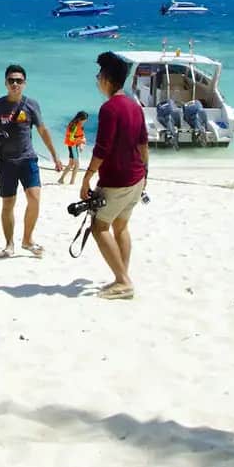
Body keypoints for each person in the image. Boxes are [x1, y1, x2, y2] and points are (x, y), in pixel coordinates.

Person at [82, 51, 149, 300]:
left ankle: (122, 281)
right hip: (136, 177)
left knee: (99, 227)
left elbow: (102, 149)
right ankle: (122, 275)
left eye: (99, 75)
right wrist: (146, 176)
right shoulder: (135, 106)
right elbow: (144, 144)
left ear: (108, 79)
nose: (98, 79)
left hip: (117, 181)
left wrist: (86, 177)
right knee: (121, 227)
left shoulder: (109, 108)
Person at [0, 63, 63, 258]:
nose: (15, 84)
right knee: (8, 203)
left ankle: (27, 240)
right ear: (5, 83)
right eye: (11, 81)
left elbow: (42, 130)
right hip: (5, 162)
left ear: (25, 83)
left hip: (28, 159)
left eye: (19, 81)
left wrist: (55, 156)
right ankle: (9, 244)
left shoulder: (32, 105)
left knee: (34, 199)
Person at [57, 111, 88, 185]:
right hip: (73, 146)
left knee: (71, 164)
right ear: (80, 119)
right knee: (77, 165)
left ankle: (61, 179)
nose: (85, 121)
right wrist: (81, 141)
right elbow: (71, 139)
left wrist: (81, 144)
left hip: (75, 145)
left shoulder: (79, 125)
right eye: (84, 120)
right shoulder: (74, 126)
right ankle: (72, 182)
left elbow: (82, 135)